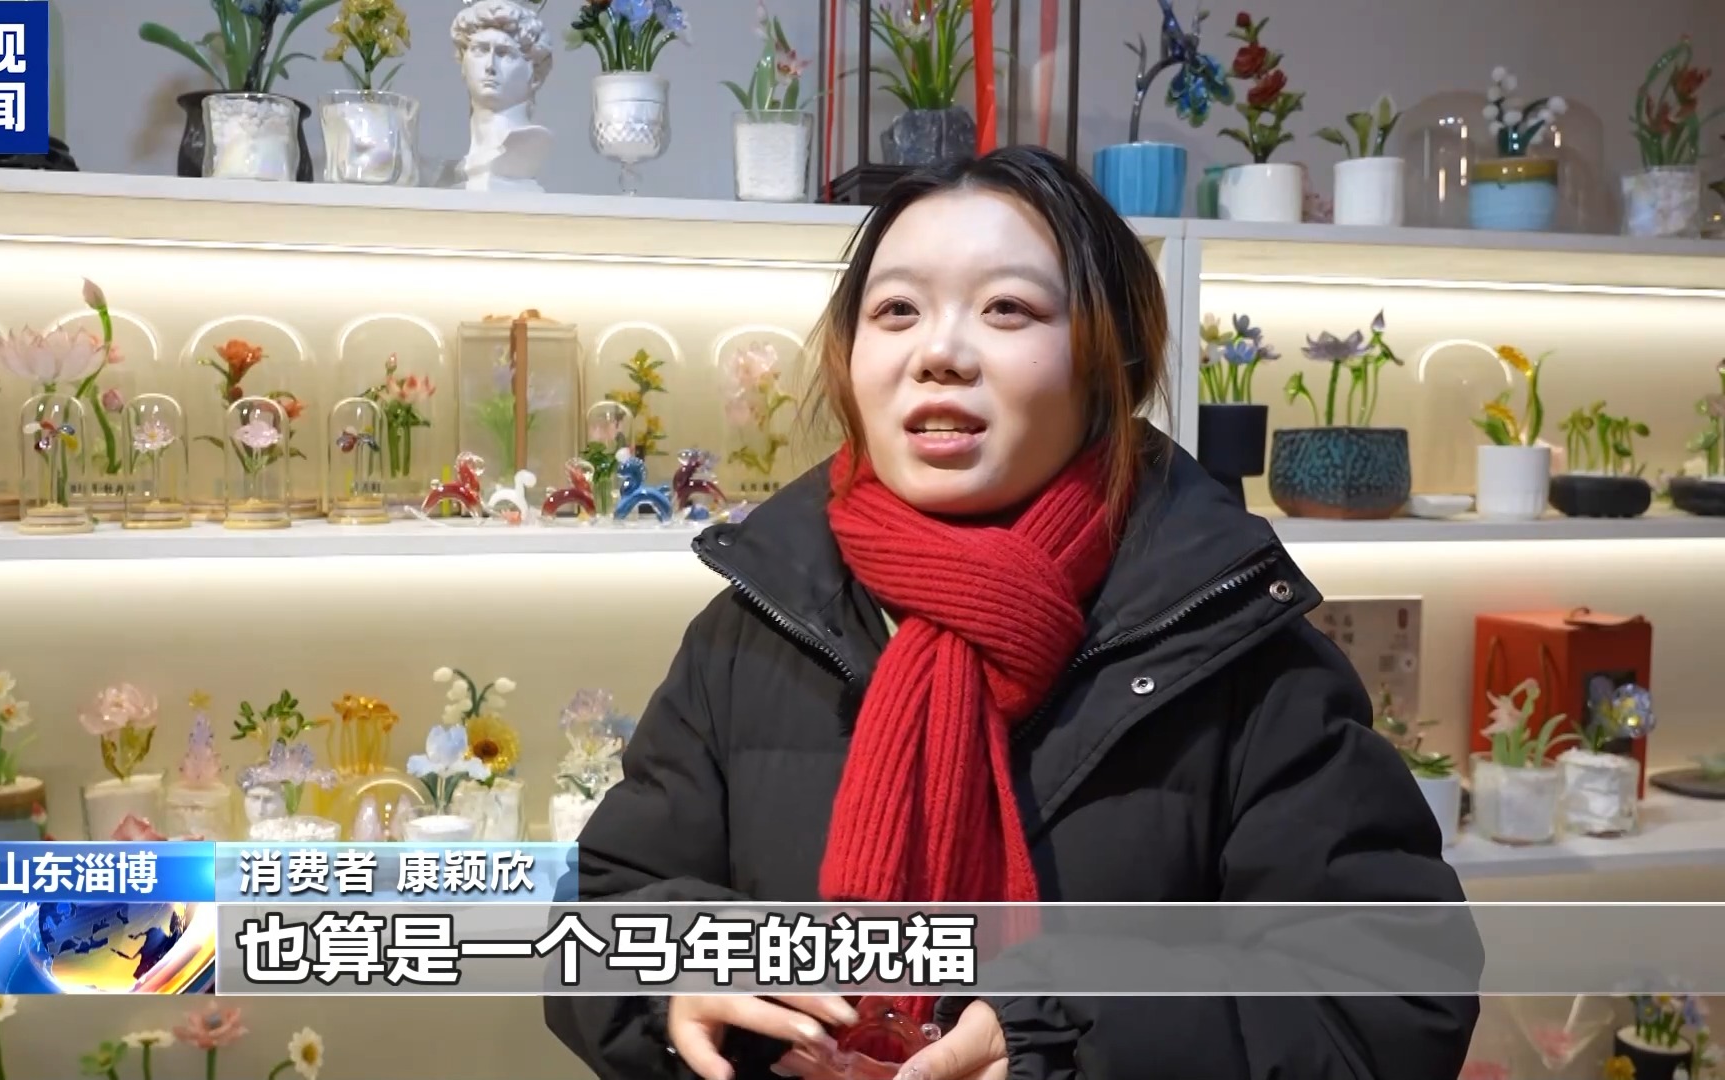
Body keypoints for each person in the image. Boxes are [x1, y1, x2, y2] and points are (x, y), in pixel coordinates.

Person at [544, 145, 1477, 1080]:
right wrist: (675, 972)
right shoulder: (756, 626)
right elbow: (596, 916)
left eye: (1007, 309)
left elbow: (1390, 1001)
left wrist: (1066, 1035)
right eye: (897, 310)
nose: (939, 353)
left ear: (1108, 364)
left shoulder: (1234, 647)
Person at [449, 0, 554, 193]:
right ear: (463, 64)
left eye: (504, 53)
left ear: (535, 75)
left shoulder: (527, 143)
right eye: (480, 50)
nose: (490, 66)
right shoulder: (465, 164)